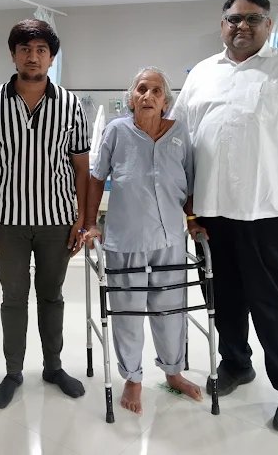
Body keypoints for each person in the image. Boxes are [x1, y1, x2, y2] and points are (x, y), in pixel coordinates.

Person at [172, 0, 278, 433]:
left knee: (275, 308)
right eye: (233, 18)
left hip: (270, 216)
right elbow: (181, 138)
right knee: (222, 299)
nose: (241, 26)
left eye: (252, 18)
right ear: (222, 24)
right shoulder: (202, 73)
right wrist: (187, 202)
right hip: (211, 216)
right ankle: (236, 363)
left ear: (269, 25)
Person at [0, 19, 90, 409]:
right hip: (6, 223)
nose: (32, 57)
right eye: (25, 49)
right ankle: (13, 372)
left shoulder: (70, 105)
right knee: (13, 299)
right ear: (13, 54)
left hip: (58, 222)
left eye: (41, 50)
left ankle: (53, 367)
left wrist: (82, 220)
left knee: (52, 297)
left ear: (52, 58)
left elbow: (81, 169)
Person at [83, 67, 206, 415]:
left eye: (156, 91)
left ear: (166, 102)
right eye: (141, 89)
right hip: (126, 238)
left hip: (169, 238)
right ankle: (133, 378)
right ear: (131, 99)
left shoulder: (180, 133)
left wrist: (193, 221)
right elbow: (97, 177)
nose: (148, 96)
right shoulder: (116, 131)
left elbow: (189, 182)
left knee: (170, 309)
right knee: (128, 312)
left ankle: (173, 372)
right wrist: (90, 224)